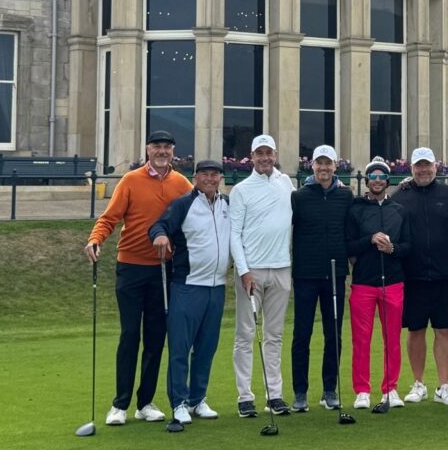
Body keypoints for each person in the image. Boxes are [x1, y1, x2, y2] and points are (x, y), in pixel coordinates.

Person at [83, 130, 193, 426]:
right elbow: (109, 218)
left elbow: (193, 224)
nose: (162, 151)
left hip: (164, 271)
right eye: (157, 146)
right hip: (131, 267)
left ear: (173, 151)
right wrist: (96, 240)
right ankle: (119, 404)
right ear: (147, 149)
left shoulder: (182, 184)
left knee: (156, 338)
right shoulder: (130, 181)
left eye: (167, 147)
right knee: (130, 335)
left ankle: (145, 402)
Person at [148, 159, 231, 430]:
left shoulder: (226, 205)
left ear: (221, 177)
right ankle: (179, 403)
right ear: (195, 177)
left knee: (207, 348)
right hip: (187, 286)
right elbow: (159, 226)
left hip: (217, 287)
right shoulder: (184, 204)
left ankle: (198, 399)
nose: (210, 178)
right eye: (205, 174)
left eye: (215, 174)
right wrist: (160, 237)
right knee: (181, 348)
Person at [390, 147, 448, 406]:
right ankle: (418, 383)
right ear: (411, 168)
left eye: (427, 165)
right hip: (411, 277)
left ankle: (443, 386)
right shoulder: (399, 197)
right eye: (418, 166)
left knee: (444, 330)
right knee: (415, 330)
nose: (423, 170)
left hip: (445, 276)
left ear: (436, 167)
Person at [230, 134, 294, 418]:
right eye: (260, 153)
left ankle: (275, 395)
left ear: (275, 154)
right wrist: (243, 271)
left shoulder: (286, 183)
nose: (265, 158)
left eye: (269, 153)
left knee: (274, 335)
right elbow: (234, 234)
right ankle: (245, 396)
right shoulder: (241, 190)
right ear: (252, 156)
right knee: (245, 335)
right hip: (251, 271)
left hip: (282, 268)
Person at [290, 144, 353, 412]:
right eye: (319, 163)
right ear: (312, 166)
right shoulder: (299, 197)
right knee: (301, 335)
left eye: (329, 163)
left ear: (336, 166)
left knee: (333, 335)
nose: (324, 168)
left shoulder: (346, 196)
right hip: (305, 274)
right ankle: (300, 392)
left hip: (335, 275)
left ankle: (329, 390)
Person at [345, 157, 411, 410]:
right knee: (361, 339)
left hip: (393, 283)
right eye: (372, 176)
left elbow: (408, 246)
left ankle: (390, 388)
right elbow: (348, 246)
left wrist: (391, 248)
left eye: (381, 176)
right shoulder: (356, 209)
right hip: (363, 283)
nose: (377, 180)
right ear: (367, 181)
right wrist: (370, 240)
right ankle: (362, 390)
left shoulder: (399, 210)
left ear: (387, 180)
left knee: (391, 338)